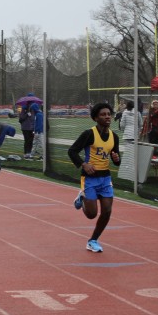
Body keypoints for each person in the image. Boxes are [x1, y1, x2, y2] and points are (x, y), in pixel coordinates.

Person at [68, 102, 120, 254]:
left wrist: (117, 159)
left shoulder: (114, 137)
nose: (107, 117)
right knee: (91, 214)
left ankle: (93, 240)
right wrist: (84, 164)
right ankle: (82, 197)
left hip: (105, 178)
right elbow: (72, 151)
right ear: (96, 118)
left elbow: (116, 159)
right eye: (103, 115)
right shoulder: (89, 134)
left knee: (107, 211)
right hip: (90, 178)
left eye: (109, 114)